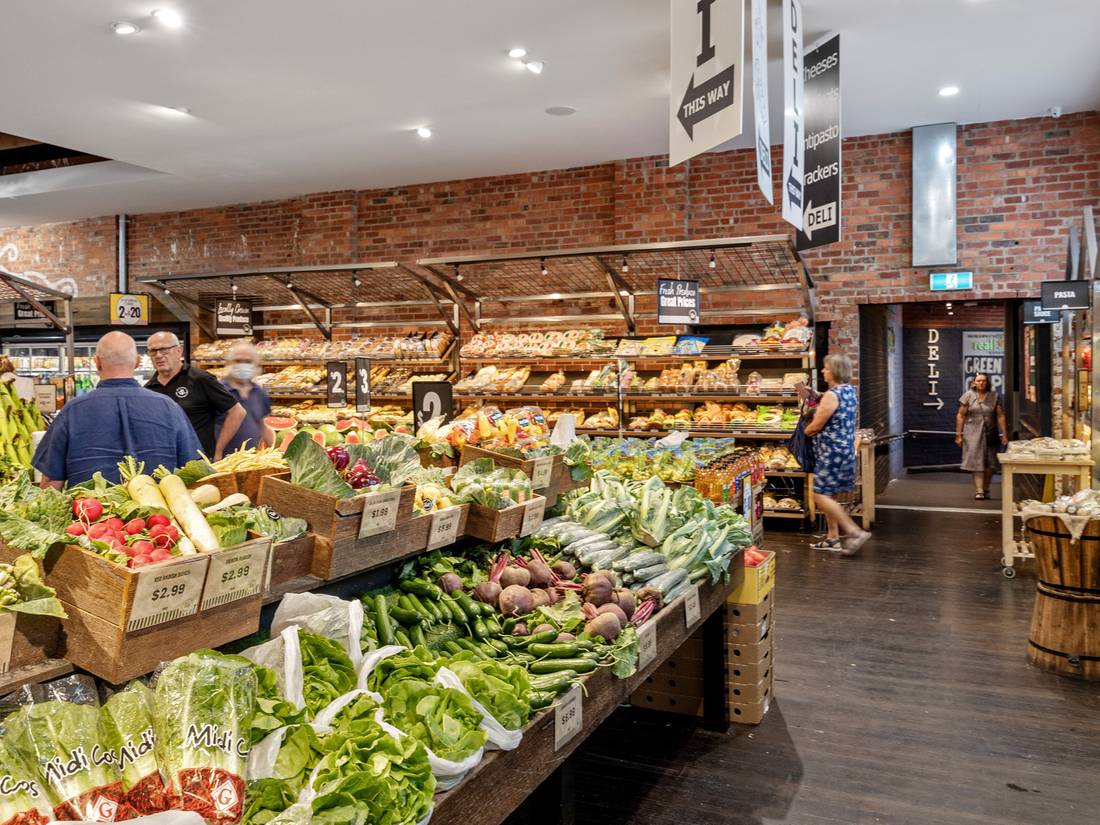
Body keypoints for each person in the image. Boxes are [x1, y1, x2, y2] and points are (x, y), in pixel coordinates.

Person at [31, 332, 202, 487]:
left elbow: (52, 481)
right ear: (137, 362)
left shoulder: (72, 410)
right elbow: (193, 472)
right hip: (157, 511)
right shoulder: (169, 407)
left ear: (96, 362)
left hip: (89, 510)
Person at [802, 352, 870, 555]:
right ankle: (833, 538)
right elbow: (833, 403)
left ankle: (854, 531)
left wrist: (804, 431)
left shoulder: (832, 396)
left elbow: (816, 426)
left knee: (819, 494)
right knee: (829, 494)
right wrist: (816, 395)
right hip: (844, 451)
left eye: (826, 368)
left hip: (830, 453)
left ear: (834, 371)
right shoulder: (848, 391)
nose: (823, 370)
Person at [144, 331, 246, 460]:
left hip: (200, 461)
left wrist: (218, 451)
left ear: (179, 351)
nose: (158, 355)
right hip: (164, 461)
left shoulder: (200, 379)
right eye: (153, 351)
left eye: (164, 350)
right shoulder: (148, 389)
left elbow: (237, 412)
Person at [955, 372, 1008, 500]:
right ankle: (979, 490)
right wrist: (958, 435)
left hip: (990, 433)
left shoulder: (994, 396)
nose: (981, 383)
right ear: (974, 383)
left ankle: (986, 488)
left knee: (990, 463)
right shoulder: (968, 396)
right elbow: (960, 415)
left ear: (987, 382)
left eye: (984, 380)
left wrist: (1004, 434)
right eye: (979, 381)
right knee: (976, 462)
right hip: (972, 434)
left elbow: (1000, 415)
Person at [217, 340, 275, 452]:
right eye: (238, 361)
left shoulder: (259, 392)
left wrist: (274, 450)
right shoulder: (219, 390)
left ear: (255, 364)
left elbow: (262, 425)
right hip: (223, 458)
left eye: (248, 361)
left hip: (251, 458)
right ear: (230, 363)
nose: (242, 365)